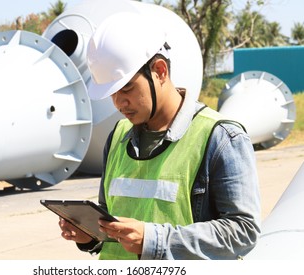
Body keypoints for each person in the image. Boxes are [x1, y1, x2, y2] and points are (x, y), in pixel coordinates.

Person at [59, 12, 261, 260]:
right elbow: (113, 219)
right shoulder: (118, 137)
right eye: (111, 93)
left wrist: (153, 240)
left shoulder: (220, 137)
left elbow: (243, 232)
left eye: (127, 88)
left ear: (160, 70)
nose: (119, 103)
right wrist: (90, 234)